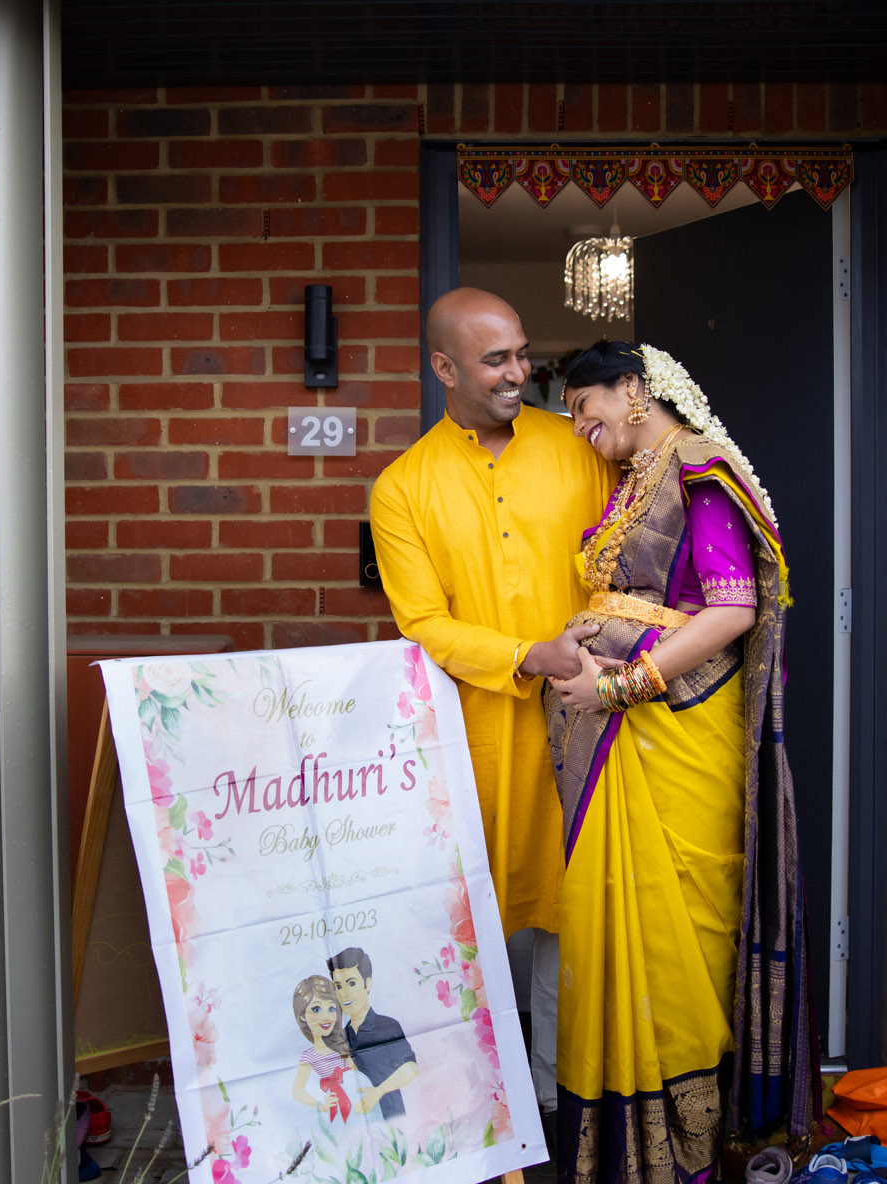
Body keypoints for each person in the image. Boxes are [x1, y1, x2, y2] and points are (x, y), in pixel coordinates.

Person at [541, 340, 814, 1183]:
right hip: (621, 741)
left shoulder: (699, 469)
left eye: (584, 407)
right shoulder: (635, 479)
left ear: (633, 387)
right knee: (623, 925)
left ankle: (687, 1155)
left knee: (682, 935)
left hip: (677, 736)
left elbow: (731, 611)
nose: (579, 427)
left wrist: (620, 685)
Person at [368, 288, 616, 1117]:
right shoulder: (403, 488)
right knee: (484, 921)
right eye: (495, 359)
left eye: (520, 353)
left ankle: (565, 1105)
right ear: (444, 368)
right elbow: (424, 624)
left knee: (580, 918)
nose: (518, 372)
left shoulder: (577, 445)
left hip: (598, 720)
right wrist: (526, 656)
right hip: (480, 738)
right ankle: (489, 1113)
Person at [327, 947, 417, 1120]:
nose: (344, 994)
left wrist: (379, 1091)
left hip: (392, 1118)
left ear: (367, 984)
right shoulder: (342, 1036)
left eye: (351, 983)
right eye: (338, 986)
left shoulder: (387, 1026)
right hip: (358, 1121)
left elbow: (412, 1068)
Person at [289, 975, 362, 1122]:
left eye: (331, 1008)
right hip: (337, 1107)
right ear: (302, 1016)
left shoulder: (342, 1044)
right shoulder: (309, 1056)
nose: (326, 1017)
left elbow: (357, 1073)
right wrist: (321, 1104)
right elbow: (297, 1091)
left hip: (359, 1100)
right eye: (316, 1009)